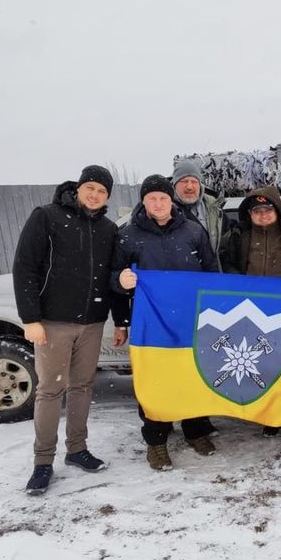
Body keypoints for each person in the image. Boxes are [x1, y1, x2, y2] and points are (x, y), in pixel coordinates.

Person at [13, 164, 128, 495]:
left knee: (83, 387)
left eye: (102, 191)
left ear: (107, 196)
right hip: (53, 323)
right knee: (51, 390)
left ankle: (77, 450)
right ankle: (43, 462)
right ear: (78, 188)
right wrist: (30, 318)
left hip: (92, 323)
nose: (94, 195)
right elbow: (25, 267)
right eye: (90, 187)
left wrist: (119, 320)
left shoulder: (108, 229)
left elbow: (114, 279)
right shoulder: (47, 217)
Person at [112, 173, 219, 471]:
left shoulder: (193, 231)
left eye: (162, 198)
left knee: (193, 373)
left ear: (171, 200)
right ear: (143, 202)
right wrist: (121, 285)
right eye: (151, 198)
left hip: (190, 319)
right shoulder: (129, 236)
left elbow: (211, 272)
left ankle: (196, 431)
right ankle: (156, 442)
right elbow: (113, 279)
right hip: (151, 323)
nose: (158, 204)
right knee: (154, 381)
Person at [220, 185, 281, 442]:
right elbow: (227, 265)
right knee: (264, 366)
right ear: (249, 213)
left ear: (277, 210)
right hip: (253, 312)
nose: (262, 214)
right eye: (257, 210)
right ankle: (270, 418)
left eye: (268, 209)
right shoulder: (237, 234)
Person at [172, 158, 229, 259]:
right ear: (175, 184)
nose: (189, 186)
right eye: (184, 181)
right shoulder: (164, 211)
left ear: (200, 185)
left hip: (211, 271)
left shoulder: (215, 208)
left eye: (194, 181)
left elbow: (225, 247)